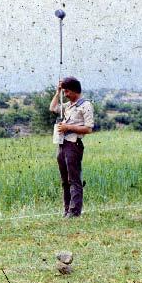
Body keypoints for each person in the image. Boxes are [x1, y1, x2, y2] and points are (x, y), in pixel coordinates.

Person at [49, 76, 94, 217]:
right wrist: (57, 92)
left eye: (67, 92)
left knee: (74, 179)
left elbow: (88, 128)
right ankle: (67, 210)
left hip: (74, 144)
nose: (66, 95)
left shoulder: (85, 105)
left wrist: (68, 127)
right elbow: (53, 108)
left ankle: (74, 212)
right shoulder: (68, 106)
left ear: (74, 91)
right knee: (65, 180)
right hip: (62, 145)